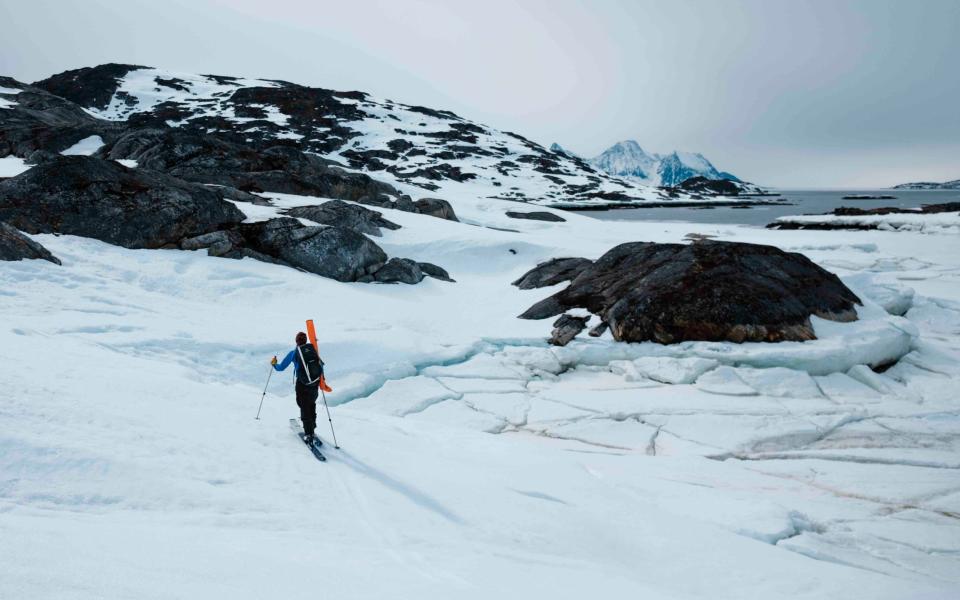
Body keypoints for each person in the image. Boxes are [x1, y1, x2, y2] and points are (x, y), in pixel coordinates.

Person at [272, 332, 320, 444]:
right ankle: (312, 426)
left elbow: (281, 368)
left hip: (302, 384)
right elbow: (320, 366)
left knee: (303, 406)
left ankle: (309, 434)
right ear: (306, 340)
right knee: (311, 404)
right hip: (314, 383)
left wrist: (274, 364)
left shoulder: (294, 353)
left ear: (296, 341)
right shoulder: (312, 350)